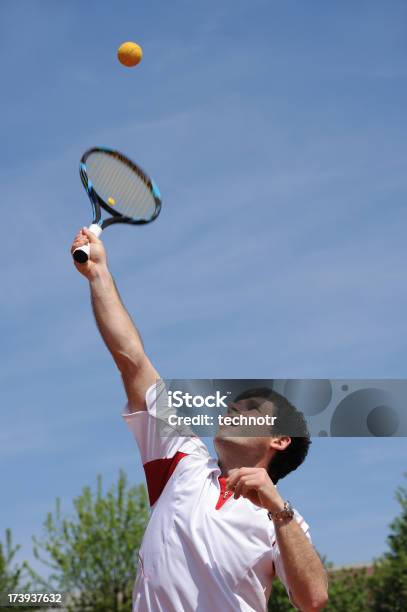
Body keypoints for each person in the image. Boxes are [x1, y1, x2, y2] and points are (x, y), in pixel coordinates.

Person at [71, 227, 328, 612]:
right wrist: (99, 274)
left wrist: (278, 509)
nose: (231, 410)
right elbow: (132, 359)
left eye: (251, 408)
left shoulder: (284, 522)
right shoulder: (180, 461)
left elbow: (313, 599)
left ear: (280, 439)